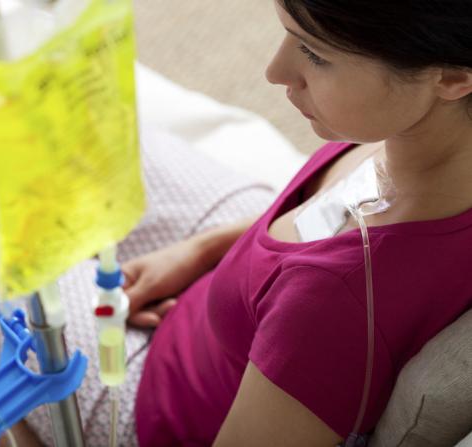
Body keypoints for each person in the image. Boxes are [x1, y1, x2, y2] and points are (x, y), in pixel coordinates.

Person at [125, 1, 472, 445]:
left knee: (8, 270)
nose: (274, 71)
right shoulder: (421, 151)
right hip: (226, 269)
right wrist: (203, 250)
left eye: (314, 54)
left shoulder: (329, 307)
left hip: (155, 401)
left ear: (453, 77)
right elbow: (313, 223)